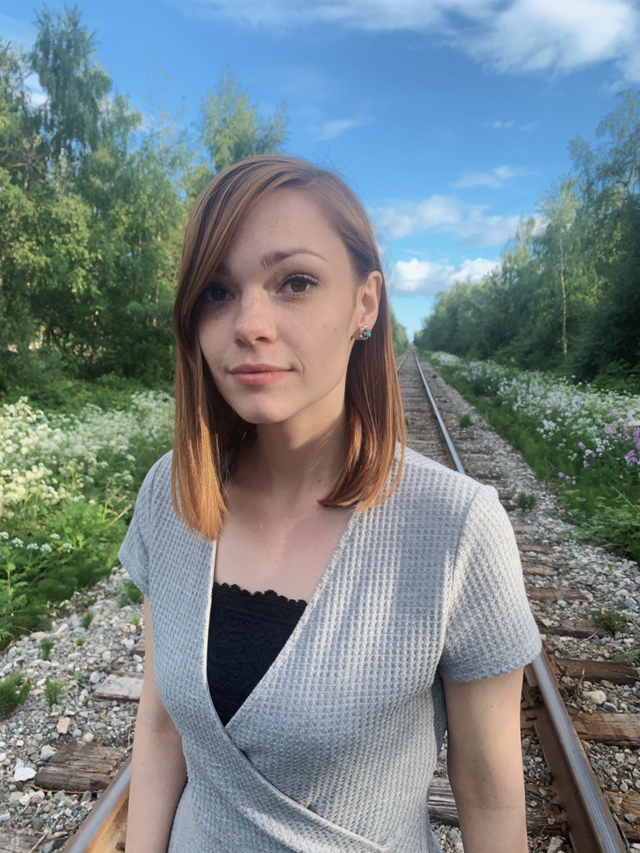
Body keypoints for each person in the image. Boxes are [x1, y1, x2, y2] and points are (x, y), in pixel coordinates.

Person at [120, 155, 541, 853]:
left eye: (295, 282)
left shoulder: (458, 529)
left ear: (364, 304)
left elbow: (490, 795)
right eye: (218, 291)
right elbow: (162, 724)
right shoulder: (173, 495)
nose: (250, 323)